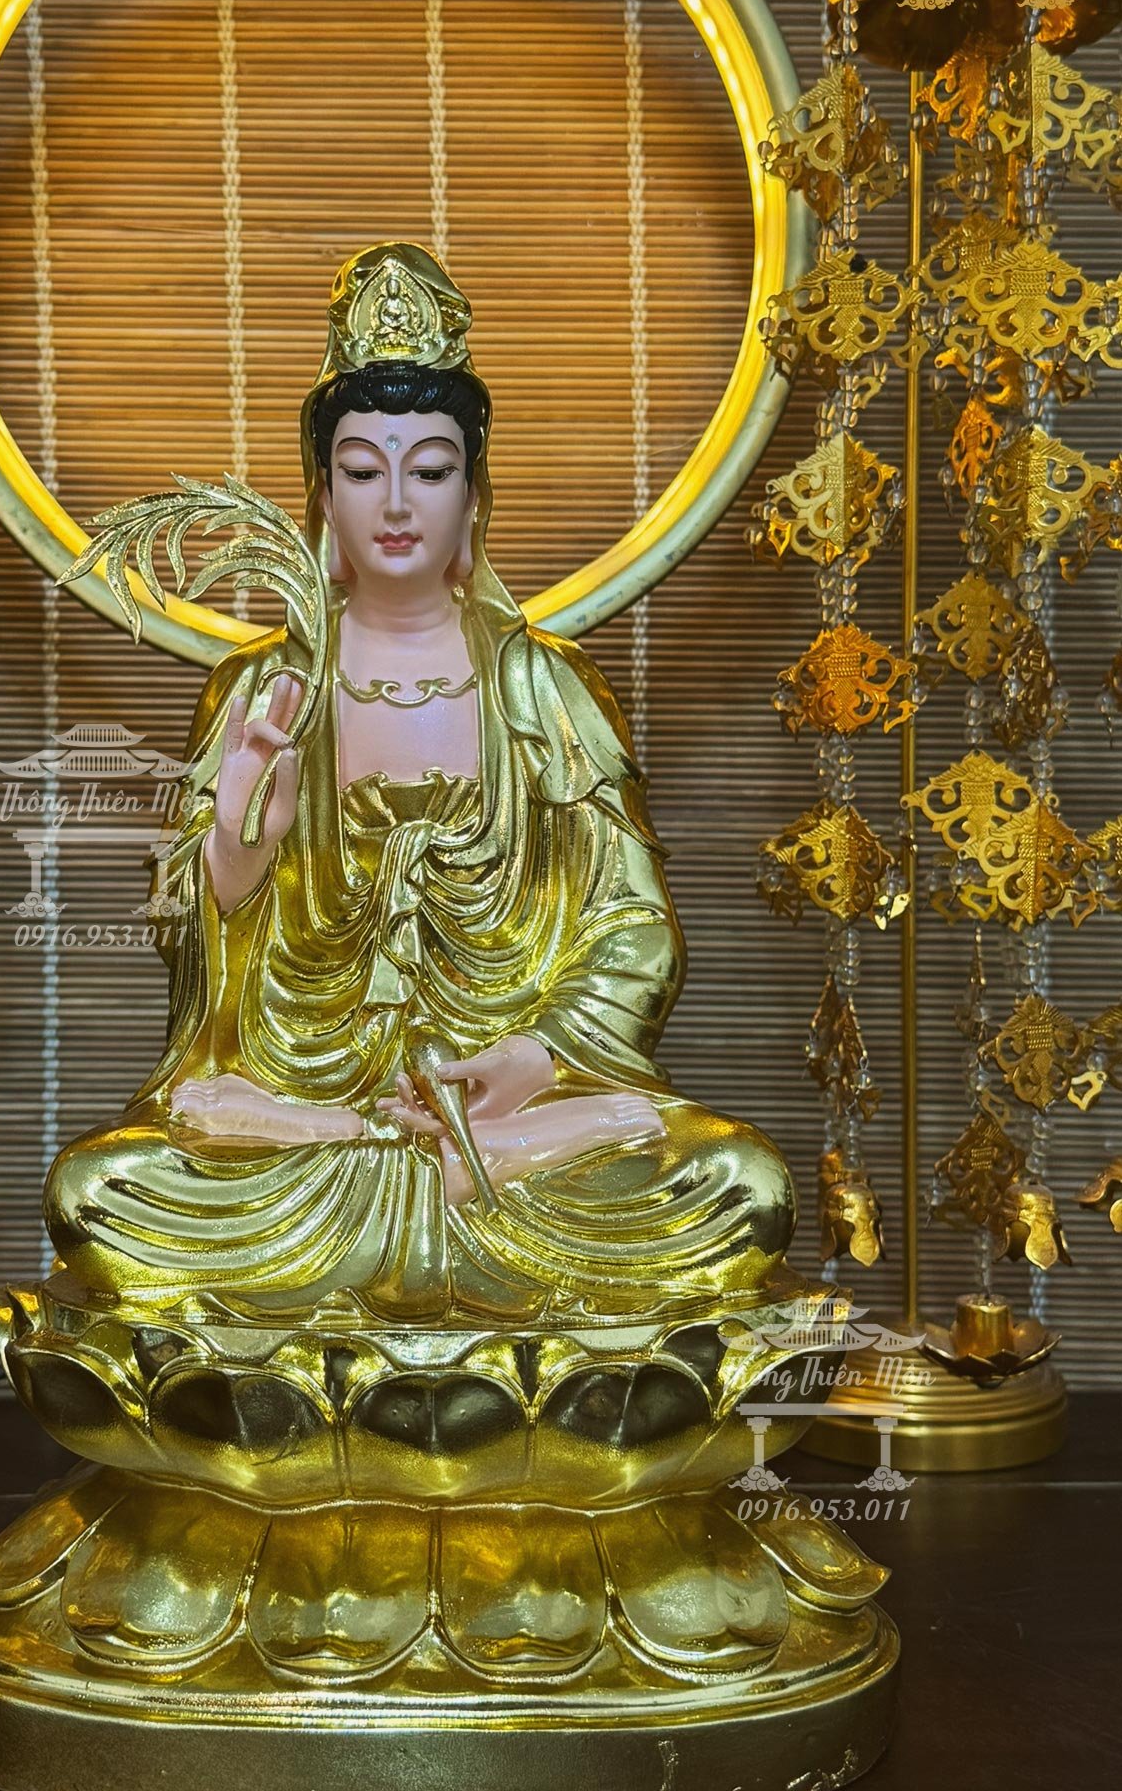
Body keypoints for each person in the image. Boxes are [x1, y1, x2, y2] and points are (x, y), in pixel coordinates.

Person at [46, 242, 793, 1323]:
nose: (396, 503)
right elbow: (195, 949)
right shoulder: (262, 690)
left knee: (742, 1187)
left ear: (475, 495)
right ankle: (397, 1163)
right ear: (321, 495)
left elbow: (635, 934)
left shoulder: (546, 687)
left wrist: (532, 1060)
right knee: (99, 1194)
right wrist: (246, 837)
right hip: (305, 1123)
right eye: (363, 470)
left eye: (431, 470)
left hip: (511, 1122)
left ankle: (466, 1167)